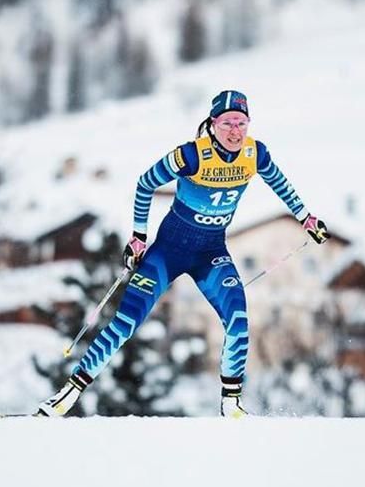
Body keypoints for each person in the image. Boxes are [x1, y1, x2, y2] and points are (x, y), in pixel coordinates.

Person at [36, 90, 329, 418]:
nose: (236, 130)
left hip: (211, 253)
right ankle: (68, 393)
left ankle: (231, 403)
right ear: (213, 124)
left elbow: (280, 184)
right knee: (125, 322)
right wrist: (137, 238)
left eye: (242, 123)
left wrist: (306, 218)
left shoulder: (254, 154)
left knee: (238, 317)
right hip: (167, 253)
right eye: (229, 122)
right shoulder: (191, 155)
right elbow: (145, 184)